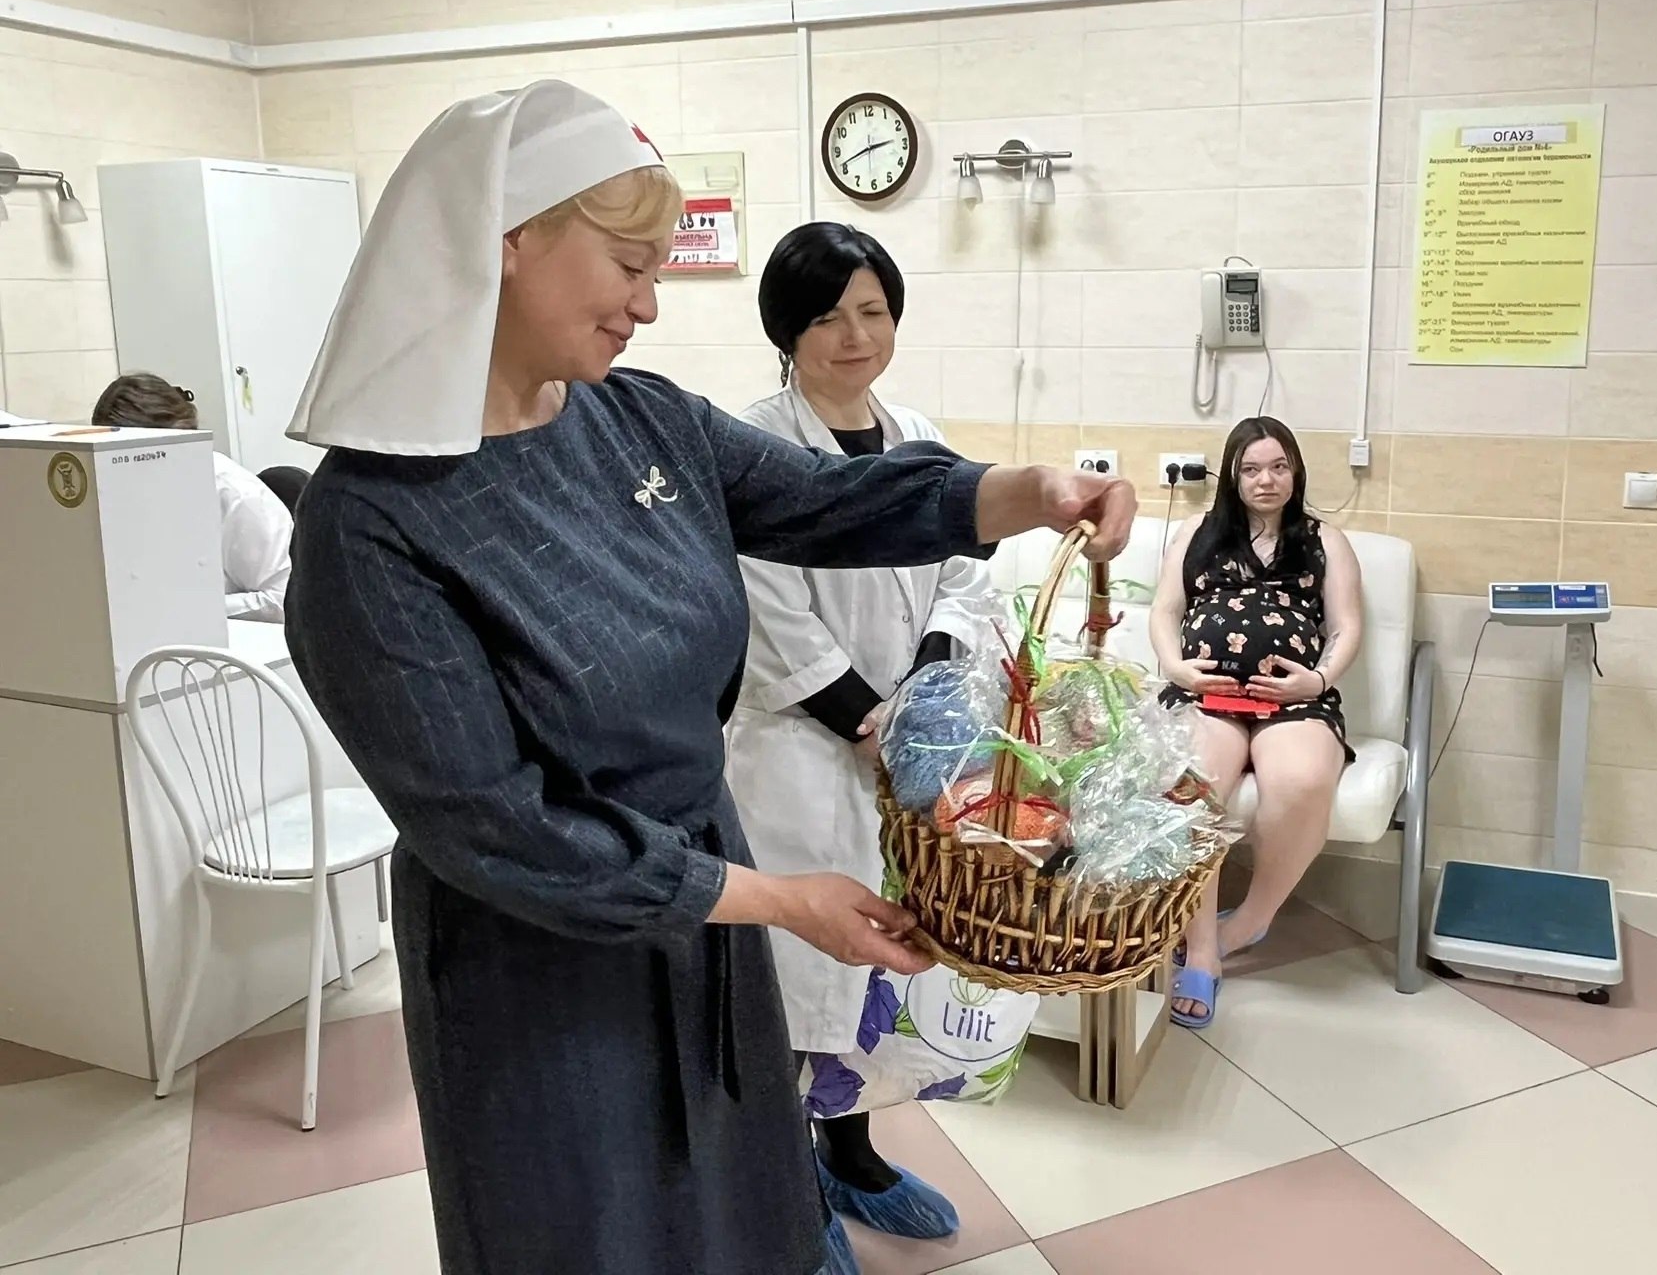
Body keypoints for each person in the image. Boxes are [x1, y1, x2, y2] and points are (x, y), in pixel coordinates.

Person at [280, 81, 1137, 1275]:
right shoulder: (372, 524)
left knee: (741, 1206)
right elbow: (497, 831)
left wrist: (1025, 493)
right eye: (629, 265)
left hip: (705, 907)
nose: (648, 301)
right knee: (597, 1233)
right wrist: (777, 900)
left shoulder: (636, 421)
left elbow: (826, 497)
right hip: (539, 962)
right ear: (506, 241)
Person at [727, 223, 989, 1255]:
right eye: (829, 317)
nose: (855, 336)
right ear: (786, 330)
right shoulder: (754, 444)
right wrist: (866, 721)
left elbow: (964, 573)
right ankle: (787, 1197)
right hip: (798, 758)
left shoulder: (916, 433)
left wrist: (925, 688)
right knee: (799, 987)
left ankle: (853, 1158)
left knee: (880, 976)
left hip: (901, 753)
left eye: (873, 312)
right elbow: (769, 616)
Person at [1148, 416, 1362, 1029]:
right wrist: (1178, 669)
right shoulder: (1197, 532)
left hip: (1294, 698)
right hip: (1206, 694)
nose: (1266, 480)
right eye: (1251, 469)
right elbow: (1164, 611)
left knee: (1301, 781)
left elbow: (1346, 625)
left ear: (1295, 471)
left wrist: (1316, 680)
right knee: (1191, 784)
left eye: (1278, 466)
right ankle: (1203, 953)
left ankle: (1248, 922)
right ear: (1233, 476)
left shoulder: (1325, 540)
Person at [90, 373, 294, 623]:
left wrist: (186, 609)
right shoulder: (121, 489)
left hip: (232, 636)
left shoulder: (237, 495)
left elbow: (281, 601)